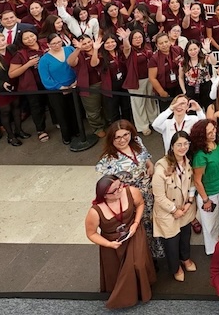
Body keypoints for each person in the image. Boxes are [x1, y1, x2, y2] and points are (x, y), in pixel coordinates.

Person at [84, 175, 156, 309]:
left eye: (120, 185)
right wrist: (109, 244)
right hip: (111, 241)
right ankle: (125, 292)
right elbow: (91, 233)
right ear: (105, 195)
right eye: (115, 190)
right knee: (115, 270)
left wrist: (136, 223)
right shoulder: (95, 211)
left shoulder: (131, 192)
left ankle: (139, 290)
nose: (120, 190)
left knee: (138, 264)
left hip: (133, 232)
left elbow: (140, 204)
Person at [95, 120, 163, 262]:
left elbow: (146, 156)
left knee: (154, 223)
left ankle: (156, 253)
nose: (122, 140)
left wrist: (150, 165)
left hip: (149, 193)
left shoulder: (137, 142)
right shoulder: (108, 160)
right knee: (139, 228)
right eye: (117, 137)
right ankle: (145, 259)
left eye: (125, 134)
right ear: (111, 139)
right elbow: (109, 186)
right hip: (131, 199)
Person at [151, 131, 197, 281]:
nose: (183, 147)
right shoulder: (161, 168)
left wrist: (189, 201)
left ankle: (185, 258)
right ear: (172, 146)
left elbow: (192, 182)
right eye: (179, 144)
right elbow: (159, 196)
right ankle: (175, 268)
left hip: (185, 208)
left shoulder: (188, 161)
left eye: (186, 144)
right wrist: (174, 210)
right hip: (168, 212)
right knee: (171, 243)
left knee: (185, 236)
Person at [191, 118, 219, 256]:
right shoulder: (200, 156)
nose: (213, 133)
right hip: (210, 194)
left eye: (214, 130)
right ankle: (213, 251)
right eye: (209, 133)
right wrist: (205, 200)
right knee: (210, 226)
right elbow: (197, 181)